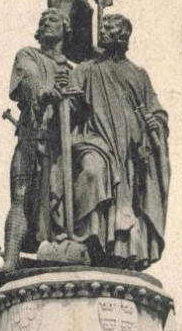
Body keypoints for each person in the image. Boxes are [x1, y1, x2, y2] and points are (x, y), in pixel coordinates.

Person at [64, 13, 170, 268]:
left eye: (114, 31)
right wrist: (65, 98)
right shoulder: (86, 70)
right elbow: (69, 106)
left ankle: (121, 248)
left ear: (125, 38)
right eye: (105, 30)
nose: (108, 34)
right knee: (93, 172)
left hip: (131, 149)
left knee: (130, 195)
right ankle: (90, 240)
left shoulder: (139, 74)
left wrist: (157, 121)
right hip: (94, 139)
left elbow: (156, 110)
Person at [1, 8, 72, 271]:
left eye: (52, 19)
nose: (46, 24)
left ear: (65, 27)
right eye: (42, 21)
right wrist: (43, 91)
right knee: (20, 197)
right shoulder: (28, 55)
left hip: (62, 149)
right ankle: (10, 259)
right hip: (31, 138)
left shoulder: (75, 70)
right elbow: (28, 77)